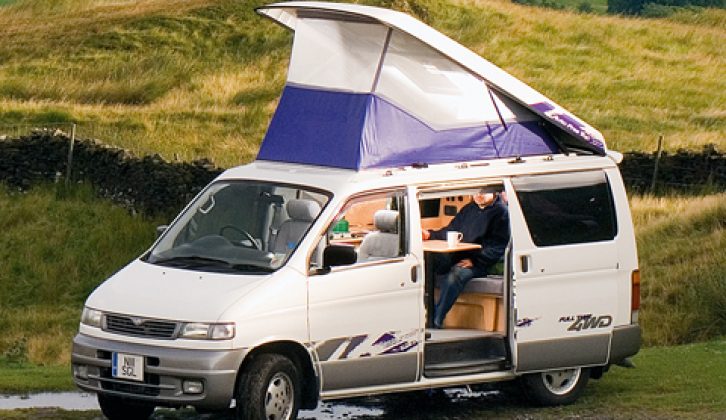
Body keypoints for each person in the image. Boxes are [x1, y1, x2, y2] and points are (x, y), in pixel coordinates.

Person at [422, 187, 510, 329]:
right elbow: (451, 230)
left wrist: (475, 260)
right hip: (459, 255)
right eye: (475, 192)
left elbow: (499, 247)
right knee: (429, 265)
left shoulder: (502, 213)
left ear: (494, 192)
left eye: (482, 192)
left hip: (482, 262)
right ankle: (426, 314)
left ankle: (437, 319)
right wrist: (430, 235)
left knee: (456, 274)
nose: (478, 195)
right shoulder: (469, 209)